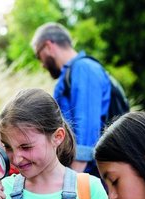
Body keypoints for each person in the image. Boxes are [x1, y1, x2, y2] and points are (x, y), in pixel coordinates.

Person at [31, 22, 111, 177]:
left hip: (90, 178)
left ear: (48, 46)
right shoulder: (71, 74)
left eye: (38, 55)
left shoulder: (84, 68)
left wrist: (70, 185)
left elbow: (86, 137)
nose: (41, 64)